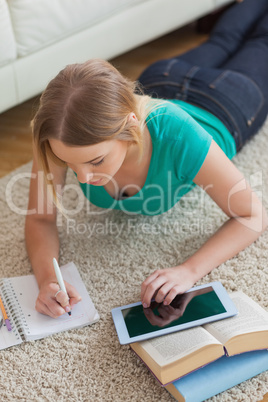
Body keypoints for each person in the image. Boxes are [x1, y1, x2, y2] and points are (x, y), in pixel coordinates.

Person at [26, 0, 268, 318]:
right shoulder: (62, 133)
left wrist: (188, 271)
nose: (82, 178)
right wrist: (46, 280)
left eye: (95, 161)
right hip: (163, 79)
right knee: (221, 40)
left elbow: (252, 216)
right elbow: (40, 218)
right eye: (69, 165)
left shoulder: (176, 133)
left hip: (227, 100)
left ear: (131, 126)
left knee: (261, 40)